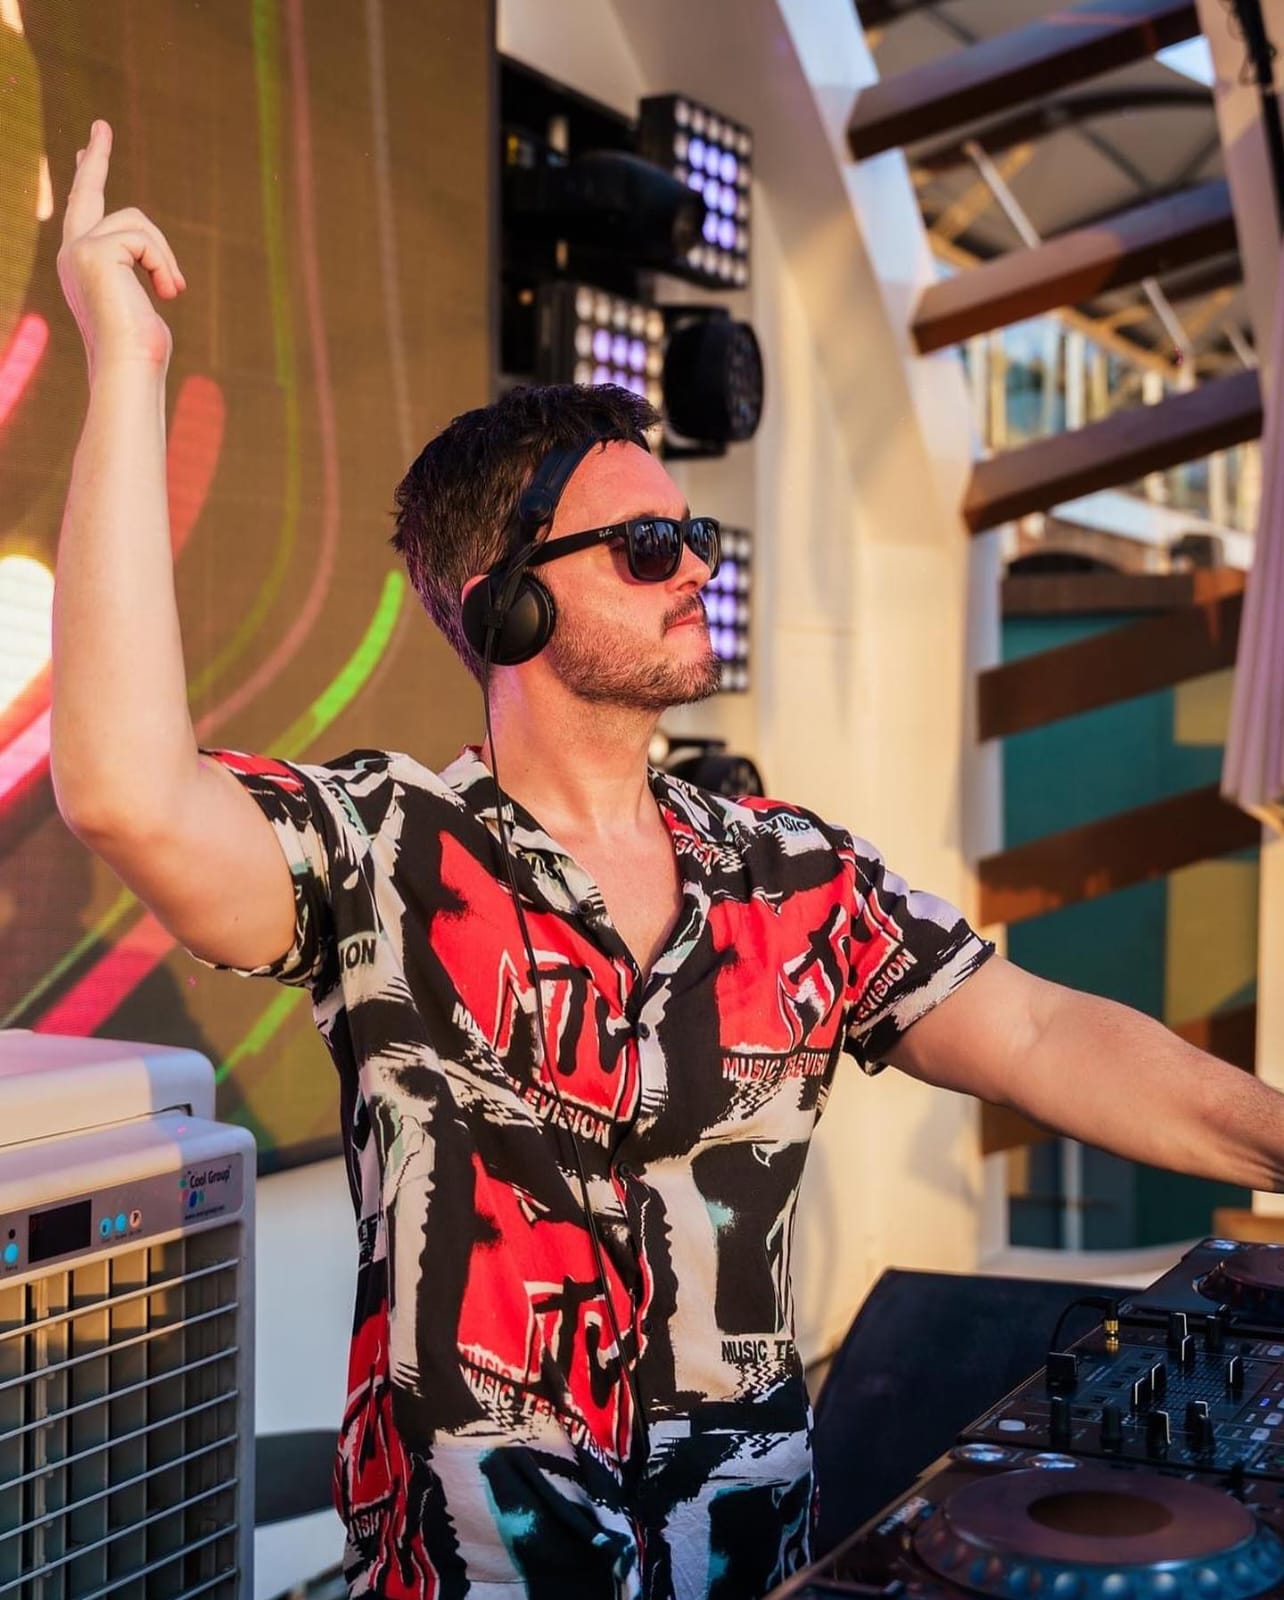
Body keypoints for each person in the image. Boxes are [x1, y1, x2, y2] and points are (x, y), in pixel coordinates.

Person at [53, 119, 1284, 1600]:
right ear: (504, 604)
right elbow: (127, 793)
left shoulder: (793, 875)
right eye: (645, 547)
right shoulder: (383, 849)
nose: (698, 565)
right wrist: (126, 367)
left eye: (692, 531)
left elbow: (1034, 1031)